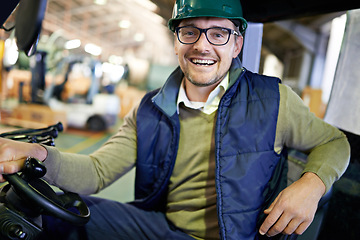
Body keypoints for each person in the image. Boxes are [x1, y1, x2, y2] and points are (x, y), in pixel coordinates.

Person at [0, 0, 350, 239]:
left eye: (218, 34)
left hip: (239, 235)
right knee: (52, 211)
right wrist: (35, 154)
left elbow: (334, 141)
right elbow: (96, 172)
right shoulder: (150, 109)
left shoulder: (274, 100)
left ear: (236, 45)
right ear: (177, 41)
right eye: (190, 32)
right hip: (163, 229)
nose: (203, 45)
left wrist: (312, 185)